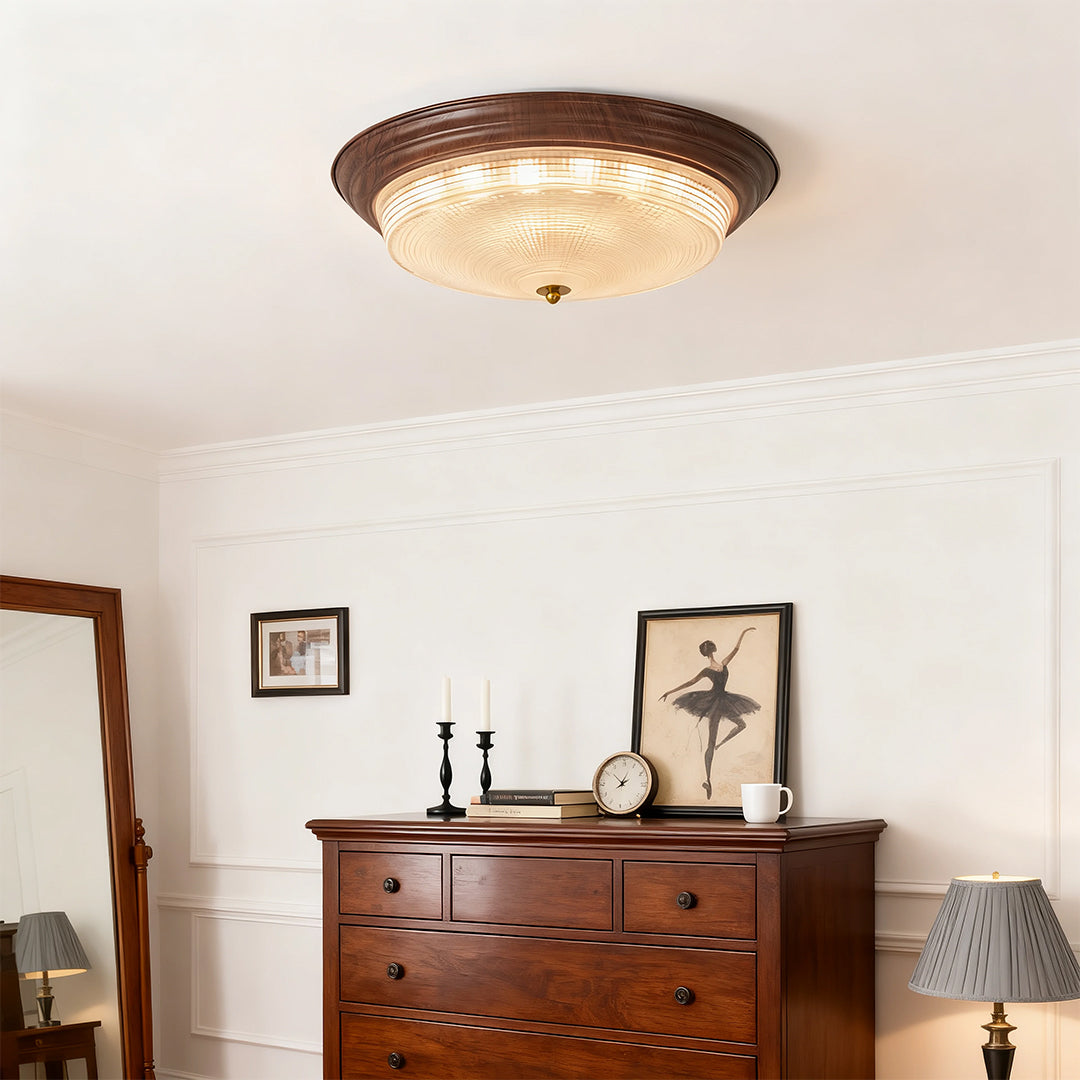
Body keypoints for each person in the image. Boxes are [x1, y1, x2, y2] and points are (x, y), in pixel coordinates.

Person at [659, 628, 760, 799]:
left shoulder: (723, 663)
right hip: (714, 703)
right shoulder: (710, 669)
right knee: (710, 742)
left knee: (741, 725)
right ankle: (708, 779)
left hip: (724, 701)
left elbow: (736, 650)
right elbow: (690, 682)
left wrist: (744, 632)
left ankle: (719, 746)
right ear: (710, 651)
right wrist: (670, 691)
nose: (711, 650)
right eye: (710, 648)